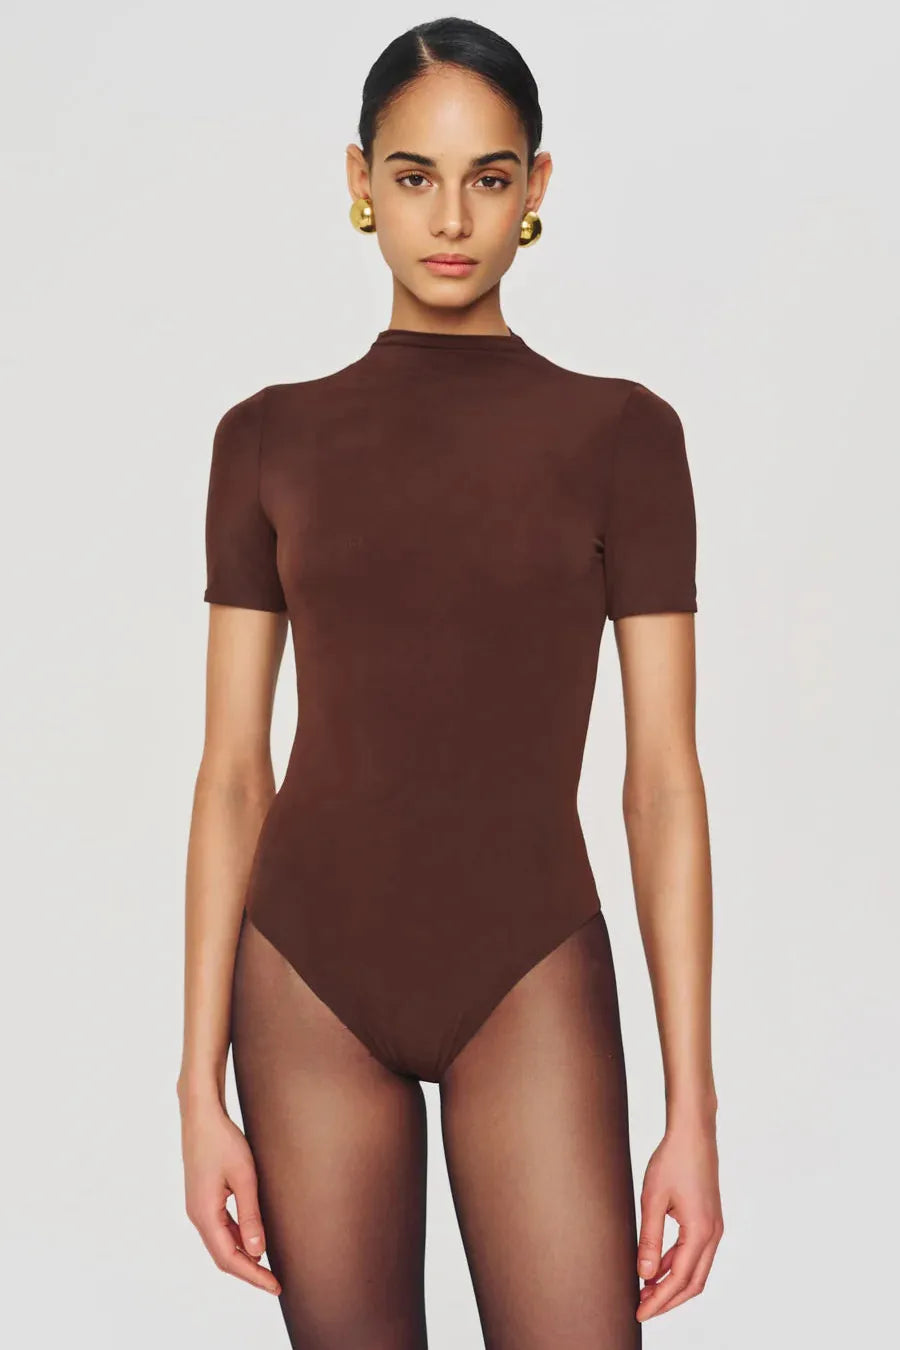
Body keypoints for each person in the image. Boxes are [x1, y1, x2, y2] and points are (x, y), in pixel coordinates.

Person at [176, 16, 723, 1349]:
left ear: (536, 186)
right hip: (304, 970)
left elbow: (662, 781)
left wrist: (692, 1110)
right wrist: (196, 1087)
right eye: (414, 174)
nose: (451, 216)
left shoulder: (624, 436)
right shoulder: (265, 439)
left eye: (488, 176)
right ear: (359, 179)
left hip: (526, 958)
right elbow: (235, 770)